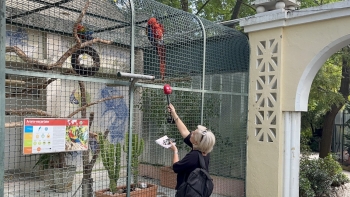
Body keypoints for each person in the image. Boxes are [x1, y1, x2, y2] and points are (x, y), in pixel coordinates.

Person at [167, 103, 216, 194]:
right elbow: (185, 132)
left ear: (196, 142)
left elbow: (176, 167)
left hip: (186, 192)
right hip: (197, 191)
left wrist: (175, 151)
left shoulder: (193, 156)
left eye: (194, 134)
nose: (192, 132)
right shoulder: (204, 150)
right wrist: (174, 114)